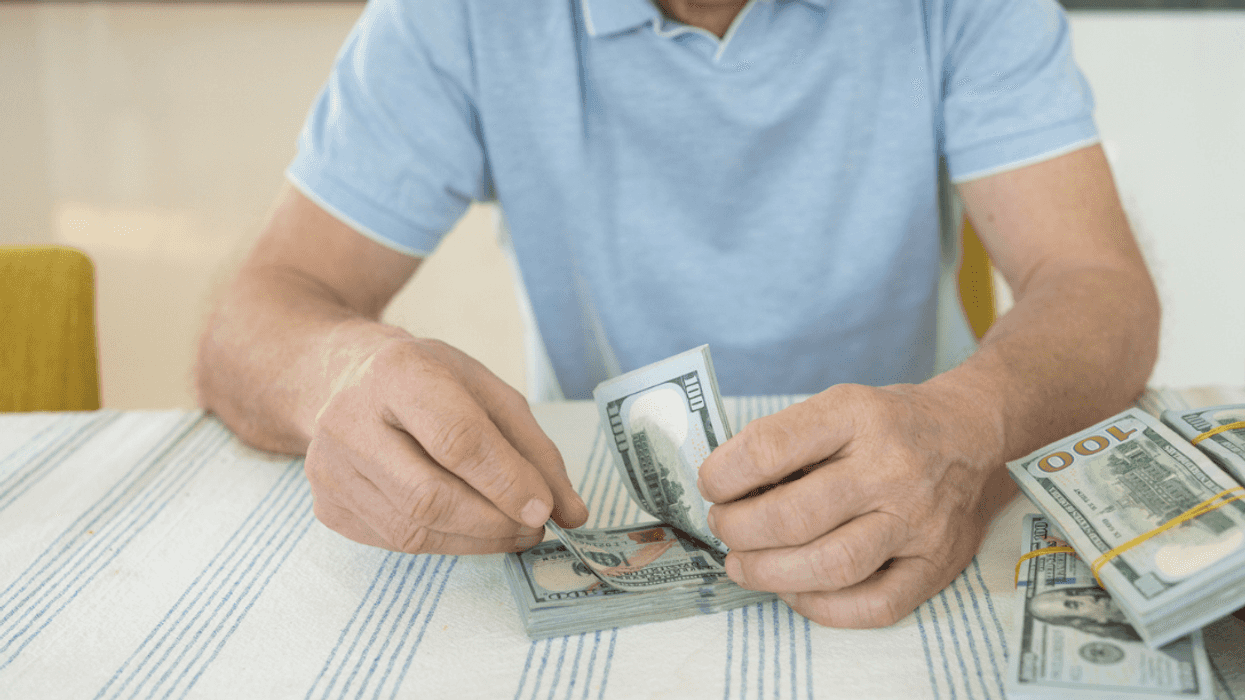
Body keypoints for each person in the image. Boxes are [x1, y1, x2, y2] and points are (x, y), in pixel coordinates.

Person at [195, 0, 1160, 629]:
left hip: (927, 507)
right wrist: (340, 378)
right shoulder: (453, 18)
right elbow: (259, 311)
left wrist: (974, 423)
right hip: (598, 516)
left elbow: (1095, 280)